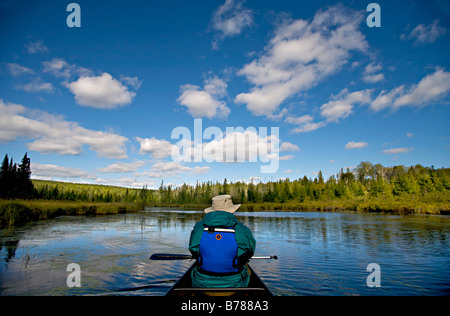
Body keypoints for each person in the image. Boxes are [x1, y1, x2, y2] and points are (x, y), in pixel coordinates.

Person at [188, 195, 256, 288]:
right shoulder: (241, 229)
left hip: (202, 284)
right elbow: (249, 251)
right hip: (235, 284)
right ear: (232, 210)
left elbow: (193, 248)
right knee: (246, 268)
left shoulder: (199, 226)